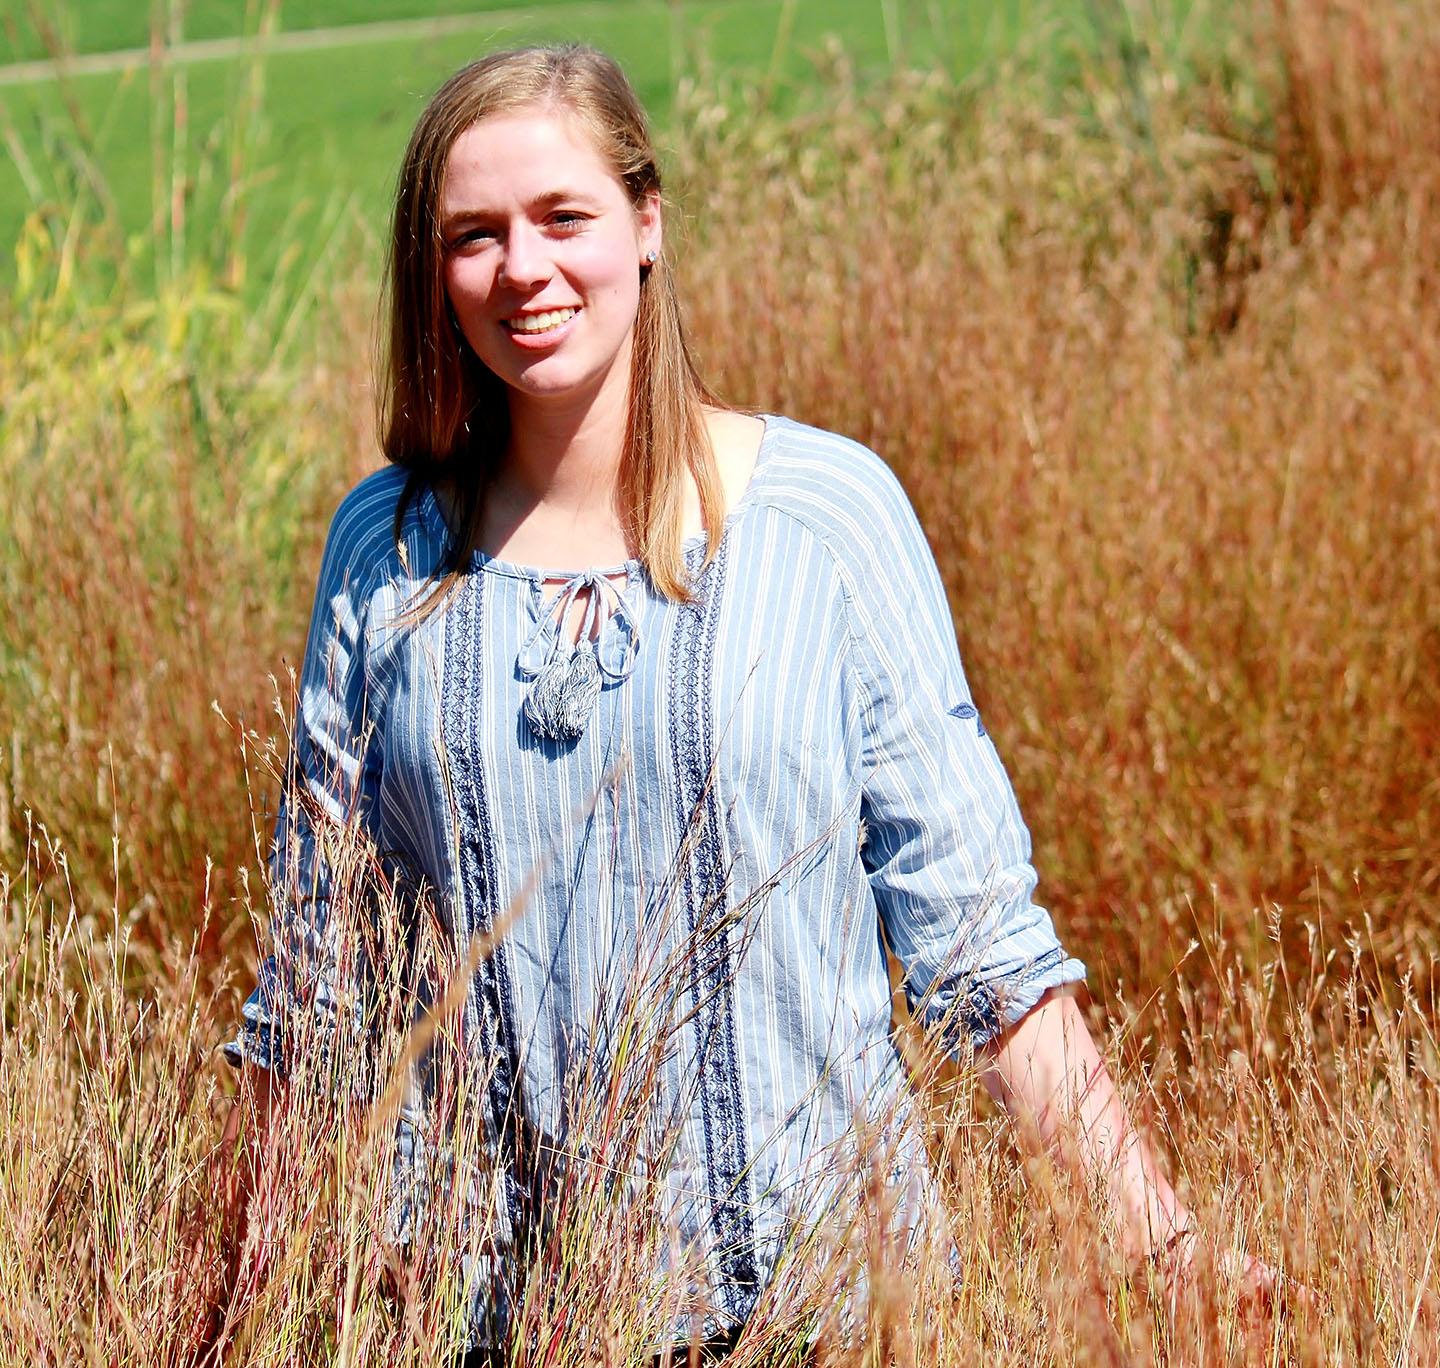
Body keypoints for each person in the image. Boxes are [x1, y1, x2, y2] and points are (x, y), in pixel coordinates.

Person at [222, 43, 1285, 1360]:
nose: (523, 269)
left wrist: (1160, 1245)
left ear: (647, 222)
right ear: (432, 273)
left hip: (829, 1310)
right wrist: (235, 1295)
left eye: (564, 217)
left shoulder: (825, 515)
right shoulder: (384, 551)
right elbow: (317, 971)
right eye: (473, 236)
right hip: (488, 1320)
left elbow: (980, 942)